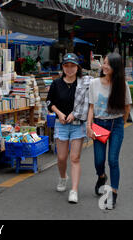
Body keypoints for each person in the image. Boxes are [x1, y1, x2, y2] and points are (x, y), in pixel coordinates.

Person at [86, 52, 132, 209]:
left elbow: (127, 107)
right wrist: (89, 126)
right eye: (104, 63)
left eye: (108, 64)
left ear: (116, 68)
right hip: (98, 124)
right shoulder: (94, 83)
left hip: (116, 125)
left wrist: (121, 124)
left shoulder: (122, 85)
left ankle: (113, 194)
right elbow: (91, 106)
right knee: (99, 161)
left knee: (113, 160)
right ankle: (101, 176)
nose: (104, 66)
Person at [46, 53, 92, 204]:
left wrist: (74, 114)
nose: (70, 69)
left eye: (73, 66)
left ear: (77, 67)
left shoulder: (84, 84)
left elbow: (87, 103)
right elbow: (49, 102)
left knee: (75, 158)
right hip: (61, 124)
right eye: (67, 65)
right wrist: (59, 114)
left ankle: (74, 190)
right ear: (63, 67)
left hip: (77, 124)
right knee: (61, 157)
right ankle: (63, 177)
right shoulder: (56, 84)